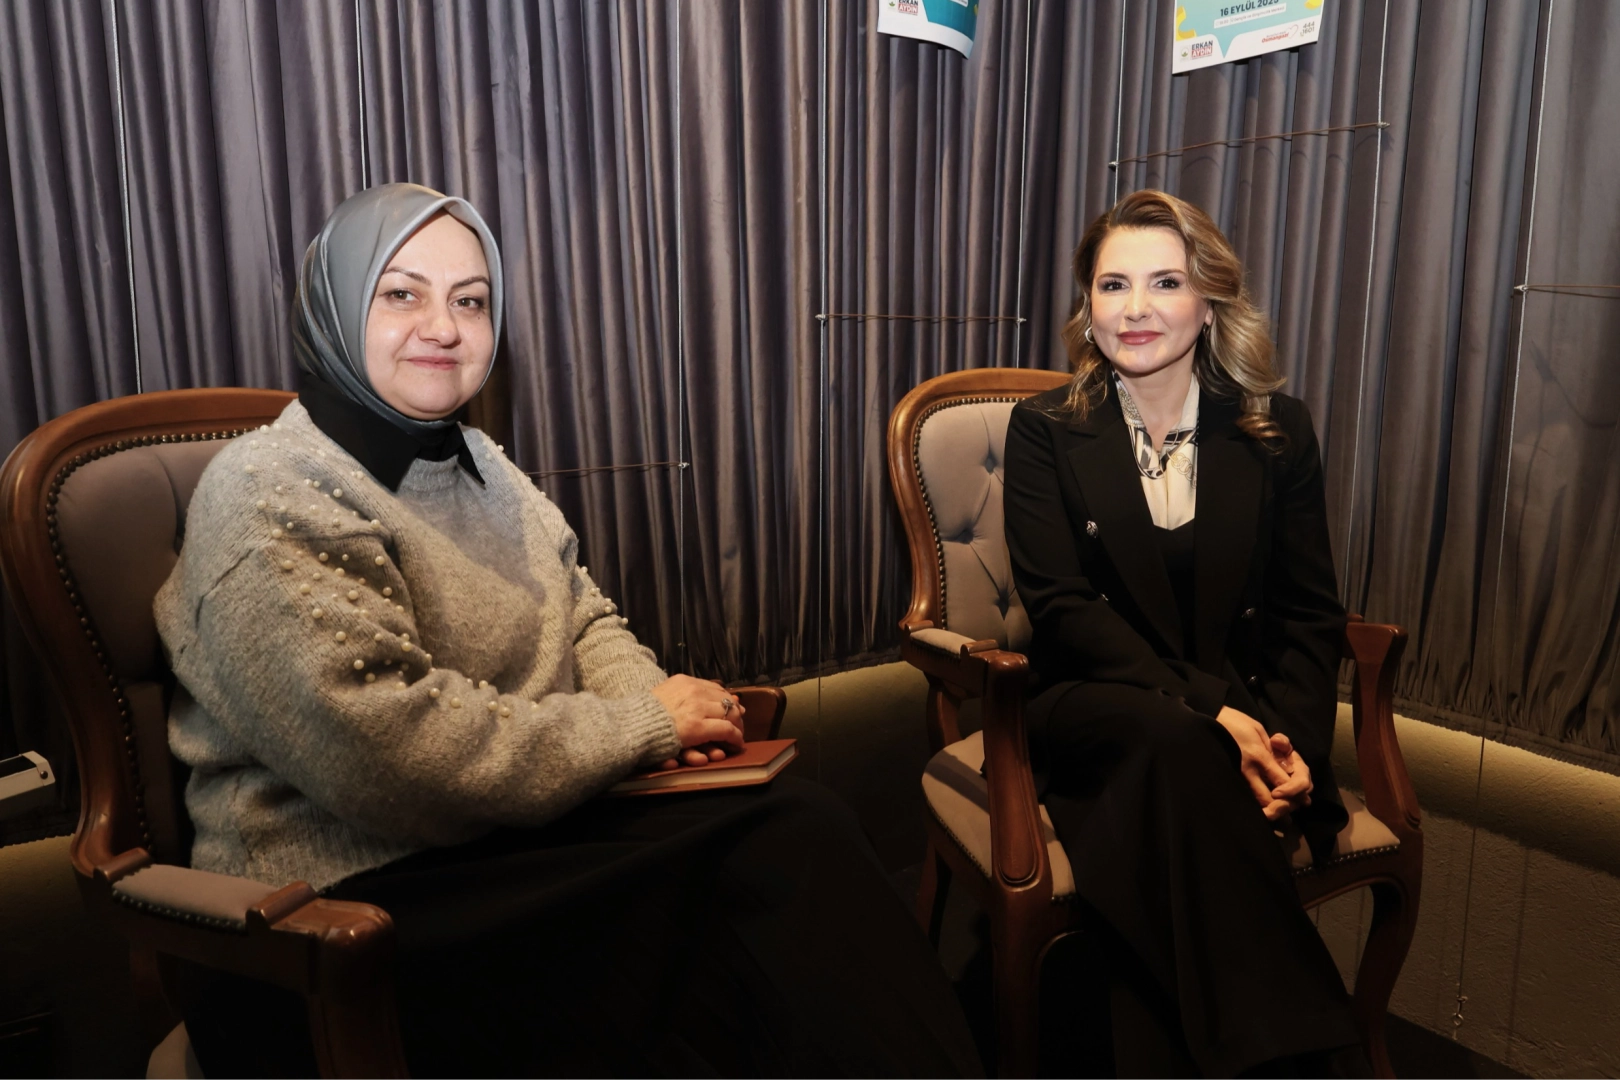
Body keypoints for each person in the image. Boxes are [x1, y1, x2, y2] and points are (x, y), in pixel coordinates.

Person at [155, 183, 983, 1079]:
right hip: (329, 926)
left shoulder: (476, 460)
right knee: (762, 901)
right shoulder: (270, 489)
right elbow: (387, 757)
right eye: (400, 293)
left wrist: (668, 721)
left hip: (502, 851)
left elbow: (582, 616)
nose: (443, 327)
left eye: (471, 301)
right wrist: (646, 726)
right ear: (333, 308)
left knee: (794, 832)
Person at [1002, 189, 1370, 1079]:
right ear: (1087, 307)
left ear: (1210, 301)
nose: (1135, 308)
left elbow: (1307, 612)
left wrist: (1292, 749)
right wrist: (1216, 714)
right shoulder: (1046, 428)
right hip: (1086, 702)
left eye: (1165, 282)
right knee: (1175, 740)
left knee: (1172, 784)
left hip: (1227, 719)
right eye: (1112, 285)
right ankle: (1315, 1059)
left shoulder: (1277, 428)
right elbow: (1063, 609)